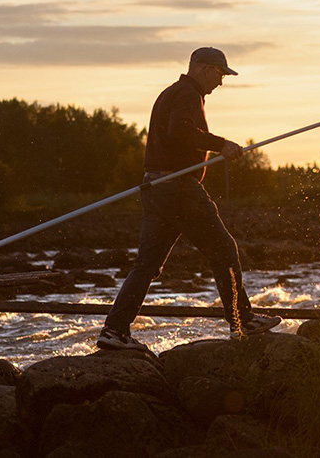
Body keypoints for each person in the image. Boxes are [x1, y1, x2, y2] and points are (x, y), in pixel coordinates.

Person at [97, 47, 280, 351]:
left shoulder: (170, 92)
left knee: (146, 264)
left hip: (154, 188)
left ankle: (114, 331)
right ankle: (243, 319)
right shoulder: (187, 94)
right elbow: (181, 130)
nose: (220, 82)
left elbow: (175, 133)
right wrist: (220, 145)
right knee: (223, 249)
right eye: (220, 74)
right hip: (179, 188)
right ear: (205, 69)